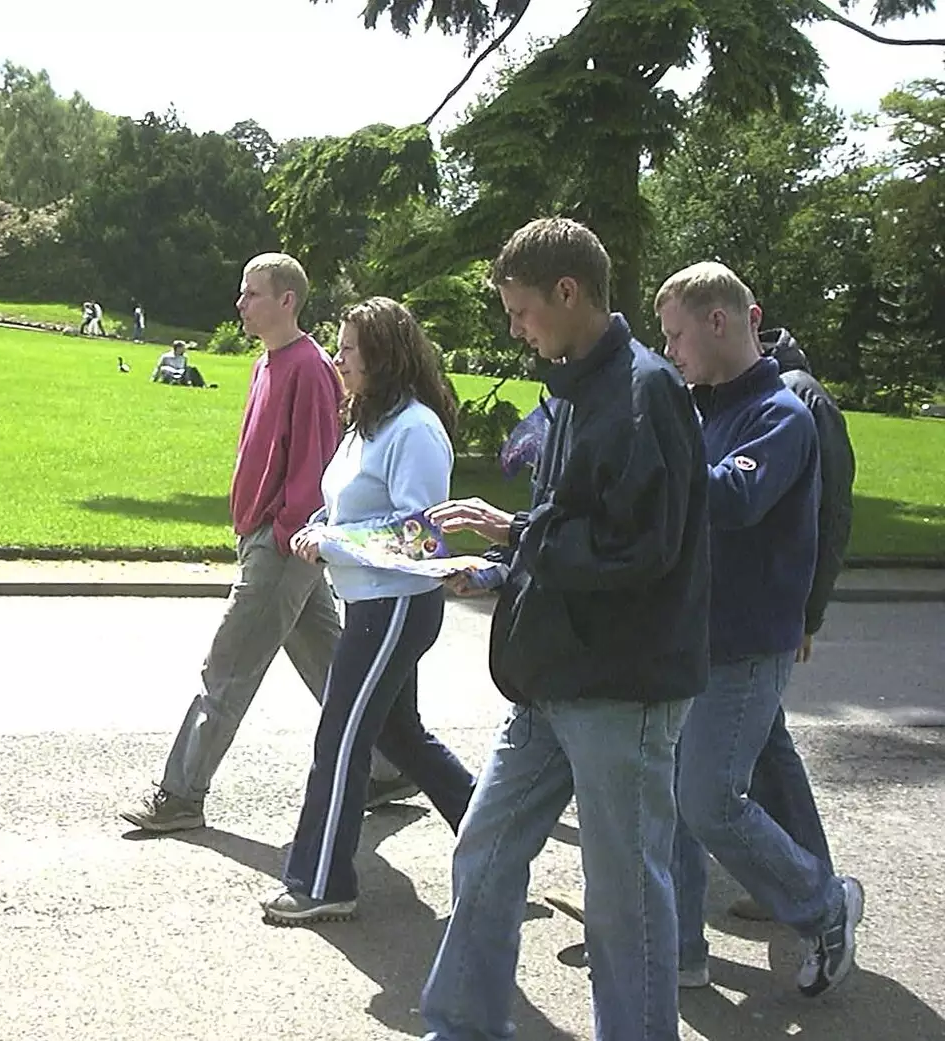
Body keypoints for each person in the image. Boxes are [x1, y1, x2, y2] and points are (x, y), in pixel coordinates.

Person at [418, 217, 709, 1041]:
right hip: (554, 678)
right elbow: (573, 525)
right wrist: (501, 570)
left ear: (569, 293)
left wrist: (517, 535)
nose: (516, 327)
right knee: (485, 848)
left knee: (624, 898)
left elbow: (638, 549)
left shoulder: (644, 391)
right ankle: (464, 1025)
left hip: (623, 687)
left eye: (521, 311)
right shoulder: (576, 386)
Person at [120, 252, 418, 833]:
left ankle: (180, 795)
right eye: (242, 294)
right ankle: (389, 767)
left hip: (284, 546)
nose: (241, 305)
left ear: (287, 301)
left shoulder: (309, 367)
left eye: (252, 294)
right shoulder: (267, 364)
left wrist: (284, 533)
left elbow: (315, 464)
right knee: (331, 662)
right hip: (271, 536)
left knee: (226, 670)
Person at [655, 262, 864, 997]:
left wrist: (658, 462)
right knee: (673, 799)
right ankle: (678, 948)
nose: (672, 351)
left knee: (707, 800)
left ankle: (824, 902)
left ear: (721, 321)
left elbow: (737, 497)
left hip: (745, 646)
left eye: (677, 334)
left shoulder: (783, 413)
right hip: (693, 638)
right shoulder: (700, 406)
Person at [260, 297, 476, 925]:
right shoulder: (367, 422)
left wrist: (332, 541)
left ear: (381, 355)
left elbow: (421, 537)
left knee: (341, 735)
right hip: (369, 604)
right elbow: (352, 506)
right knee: (398, 734)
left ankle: (323, 882)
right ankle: (499, 841)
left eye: (348, 349)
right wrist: (323, 523)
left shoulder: (416, 429)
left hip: (396, 607)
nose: (337, 359)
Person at [730, 326, 855, 920]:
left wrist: (810, 613)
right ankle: (796, 874)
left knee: (767, 746)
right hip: (750, 609)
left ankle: (807, 878)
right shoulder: (755, 393)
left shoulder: (797, 398)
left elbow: (828, 515)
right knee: (761, 742)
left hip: (769, 611)